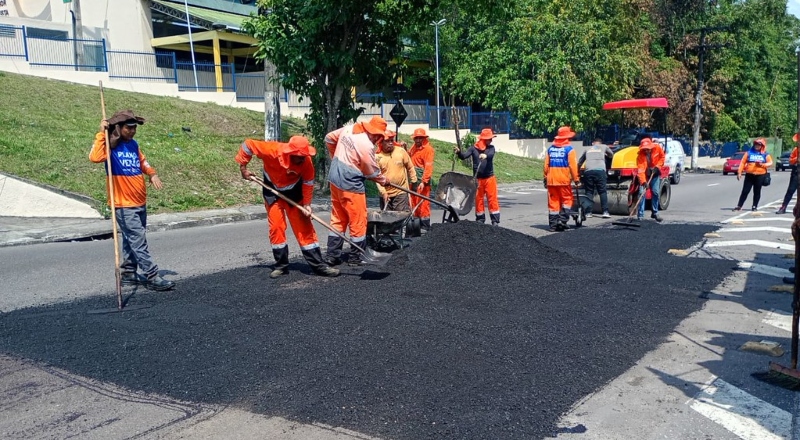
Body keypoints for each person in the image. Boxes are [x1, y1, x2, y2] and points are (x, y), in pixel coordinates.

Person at [88, 110, 175, 291]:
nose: (133, 131)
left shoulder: (133, 145)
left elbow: (142, 162)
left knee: (131, 239)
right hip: (123, 204)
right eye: (129, 128)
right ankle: (152, 275)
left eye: (134, 128)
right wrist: (100, 133)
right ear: (119, 128)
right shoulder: (110, 146)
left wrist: (152, 174)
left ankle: (128, 273)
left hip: (139, 202)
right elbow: (94, 157)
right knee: (138, 239)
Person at [236, 135, 340, 279]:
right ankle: (281, 266)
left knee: (304, 229)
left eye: (305, 156)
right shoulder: (271, 150)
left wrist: (307, 204)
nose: (304, 159)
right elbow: (248, 144)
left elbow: (308, 182)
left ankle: (319, 266)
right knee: (276, 228)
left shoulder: (306, 161)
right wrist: (243, 168)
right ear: (291, 153)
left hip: (294, 194)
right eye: (300, 156)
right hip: (272, 191)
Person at [324, 117, 390, 266]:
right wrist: (384, 181)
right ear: (376, 134)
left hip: (334, 178)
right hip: (350, 182)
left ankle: (332, 256)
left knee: (338, 218)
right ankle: (356, 257)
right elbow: (371, 171)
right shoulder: (366, 145)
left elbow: (329, 138)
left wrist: (336, 156)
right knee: (358, 220)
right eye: (378, 137)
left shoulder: (349, 129)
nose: (377, 140)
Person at [455, 128, 501, 225]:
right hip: (478, 180)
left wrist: (485, 156)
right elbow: (464, 156)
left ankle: (495, 220)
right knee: (478, 199)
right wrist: (459, 152)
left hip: (489, 178)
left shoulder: (491, 148)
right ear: (483, 140)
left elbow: (491, 154)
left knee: (492, 199)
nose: (491, 140)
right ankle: (480, 219)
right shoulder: (473, 148)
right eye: (489, 139)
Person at [543, 126, 580, 231]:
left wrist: (545, 177)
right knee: (567, 200)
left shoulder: (550, 149)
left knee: (553, 202)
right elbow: (573, 166)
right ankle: (562, 220)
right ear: (567, 138)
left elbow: (546, 165)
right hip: (563, 180)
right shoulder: (569, 150)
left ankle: (553, 226)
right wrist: (576, 179)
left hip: (551, 180)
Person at [376, 130, 417, 211]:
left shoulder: (400, 151)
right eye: (387, 141)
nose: (391, 143)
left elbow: (410, 167)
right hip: (386, 194)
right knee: (387, 219)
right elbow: (377, 178)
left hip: (400, 192)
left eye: (392, 140)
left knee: (400, 217)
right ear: (381, 142)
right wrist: (383, 193)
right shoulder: (377, 157)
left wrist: (414, 181)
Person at [578, 137, 615, 218]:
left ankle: (588, 212)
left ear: (592, 143)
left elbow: (580, 162)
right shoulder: (604, 146)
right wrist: (605, 157)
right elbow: (611, 155)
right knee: (602, 192)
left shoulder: (587, 149)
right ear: (600, 143)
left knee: (589, 192)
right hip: (600, 171)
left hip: (588, 172)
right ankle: (605, 212)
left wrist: (577, 174)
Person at [734, 138, 773, 212]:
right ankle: (739, 205)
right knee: (745, 191)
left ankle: (754, 206)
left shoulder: (765, 154)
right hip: (749, 175)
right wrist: (739, 172)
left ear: (762, 146)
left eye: (759, 144)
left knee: (757, 191)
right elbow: (742, 162)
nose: (757, 146)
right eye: (756, 144)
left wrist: (763, 164)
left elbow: (770, 162)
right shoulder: (748, 153)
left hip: (760, 175)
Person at [408, 128, 435, 231]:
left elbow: (428, 167)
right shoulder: (414, 147)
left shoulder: (428, 150)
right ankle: (416, 225)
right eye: (416, 138)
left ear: (424, 138)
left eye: (420, 138)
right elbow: (410, 157)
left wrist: (424, 181)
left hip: (423, 181)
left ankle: (425, 226)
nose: (418, 140)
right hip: (414, 180)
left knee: (423, 204)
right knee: (414, 202)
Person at [635, 136, 665, 222]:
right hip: (645, 174)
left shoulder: (657, 148)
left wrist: (658, 166)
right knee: (641, 193)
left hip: (654, 174)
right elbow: (640, 170)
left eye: (647, 149)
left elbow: (662, 158)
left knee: (655, 192)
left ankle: (655, 212)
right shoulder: (640, 156)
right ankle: (640, 215)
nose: (646, 151)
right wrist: (644, 182)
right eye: (644, 149)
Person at [776, 133, 799, 214]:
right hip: (796, 172)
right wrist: (797, 158)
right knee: (790, 191)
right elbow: (791, 161)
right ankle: (783, 207)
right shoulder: (796, 150)